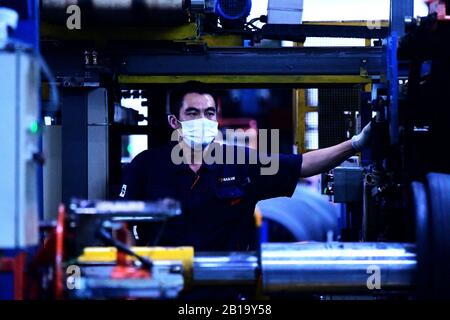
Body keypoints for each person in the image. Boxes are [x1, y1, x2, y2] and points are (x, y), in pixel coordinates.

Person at [120, 87, 371, 251]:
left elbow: (304, 165)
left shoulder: (241, 161)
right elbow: (120, 223)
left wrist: (355, 143)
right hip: (166, 283)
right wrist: (130, 274)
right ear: (175, 121)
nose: (202, 120)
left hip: (229, 284)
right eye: (192, 113)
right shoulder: (146, 165)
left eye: (209, 113)